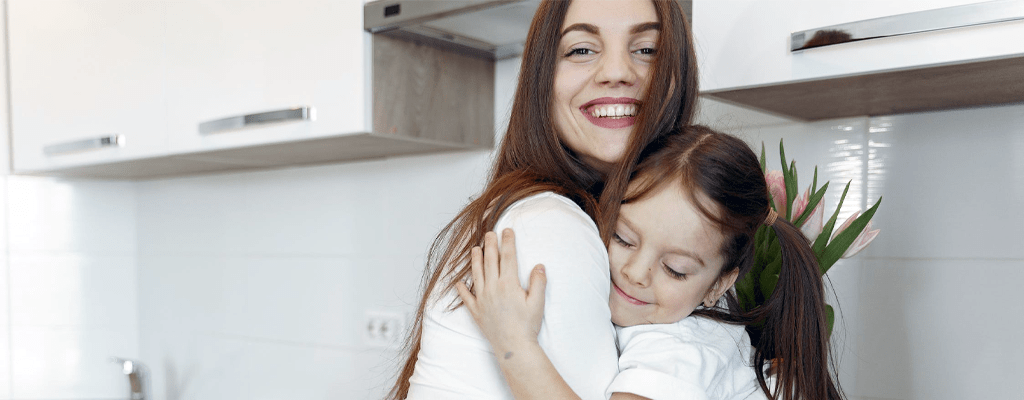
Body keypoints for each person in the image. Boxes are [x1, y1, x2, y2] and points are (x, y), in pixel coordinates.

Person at [387, 0, 699, 399]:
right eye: (581, 50)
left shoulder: (546, 213)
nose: (619, 72)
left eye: (647, 50)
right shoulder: (553, 228)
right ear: (540, 79)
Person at [457, 126, 845, 400]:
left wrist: (513, 344)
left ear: (717, 286)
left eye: (675, 269)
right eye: (623, 238)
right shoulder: (683, 320)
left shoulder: (678, 345)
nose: (635, 272)